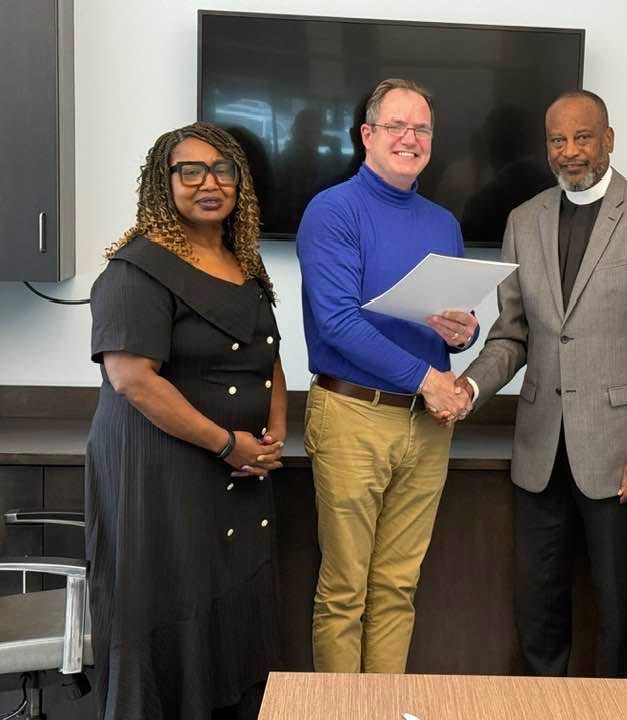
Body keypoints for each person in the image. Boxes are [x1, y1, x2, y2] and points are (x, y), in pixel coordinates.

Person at [457, 90, 627, 678]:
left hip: (621, 456)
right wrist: (469, 389)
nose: (570, 151)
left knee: (617, 612)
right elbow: (512, 335)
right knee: (536, 608)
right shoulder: (523, 220)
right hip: (540, 451)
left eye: (583, 137)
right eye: (557, 140)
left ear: (608, 139)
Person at [86, 122, 286, 719]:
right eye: (190, 170)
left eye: (223, 170)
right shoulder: (137, 268)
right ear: (163, 182)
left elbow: (267, 356)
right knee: (170, 612)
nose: (209, 183)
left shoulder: (243, 261)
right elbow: (132, 378)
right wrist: (227, 445)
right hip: (161, 473)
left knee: (230, 616)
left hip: (239, 472)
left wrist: (271, 435)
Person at [296, 78, 478, 673]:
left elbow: (449, 325)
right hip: (353, 415)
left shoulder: (443, 222)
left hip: (425, 424)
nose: (410, 138)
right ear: (367, 135)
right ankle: (340, 713)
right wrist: (429, 378)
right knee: (345, 591)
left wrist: (464, 333)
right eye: (396, 126)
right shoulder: (332, 211)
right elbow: (337, 323)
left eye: (421, 129)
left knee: (398, 586)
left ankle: (383, 707)